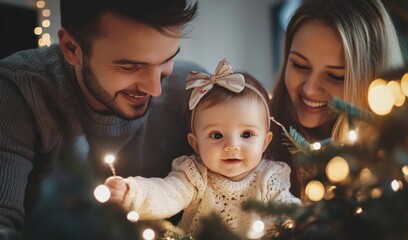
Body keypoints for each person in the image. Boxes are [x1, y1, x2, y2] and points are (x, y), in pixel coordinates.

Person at [0, 0, 204, 238]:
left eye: (167, 60)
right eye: (130, 66)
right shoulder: (18, 91)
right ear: (71, 48)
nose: (155, 88)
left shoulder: (195, 92)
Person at [104, 59, 301, 238]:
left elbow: (286, 209)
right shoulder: (194, 174)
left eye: (246, 135)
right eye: (216, 135)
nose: (232, 146)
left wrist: (303, 222)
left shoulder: (270, 176)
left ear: (265, 142)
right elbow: (165, 194)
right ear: (196, 144)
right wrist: (132, 192)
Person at [268, 0, 405, 197]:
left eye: (335, 76)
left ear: (372, 81)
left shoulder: (397, 171)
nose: (310, 89)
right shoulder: (251, 141)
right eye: (299, 65)